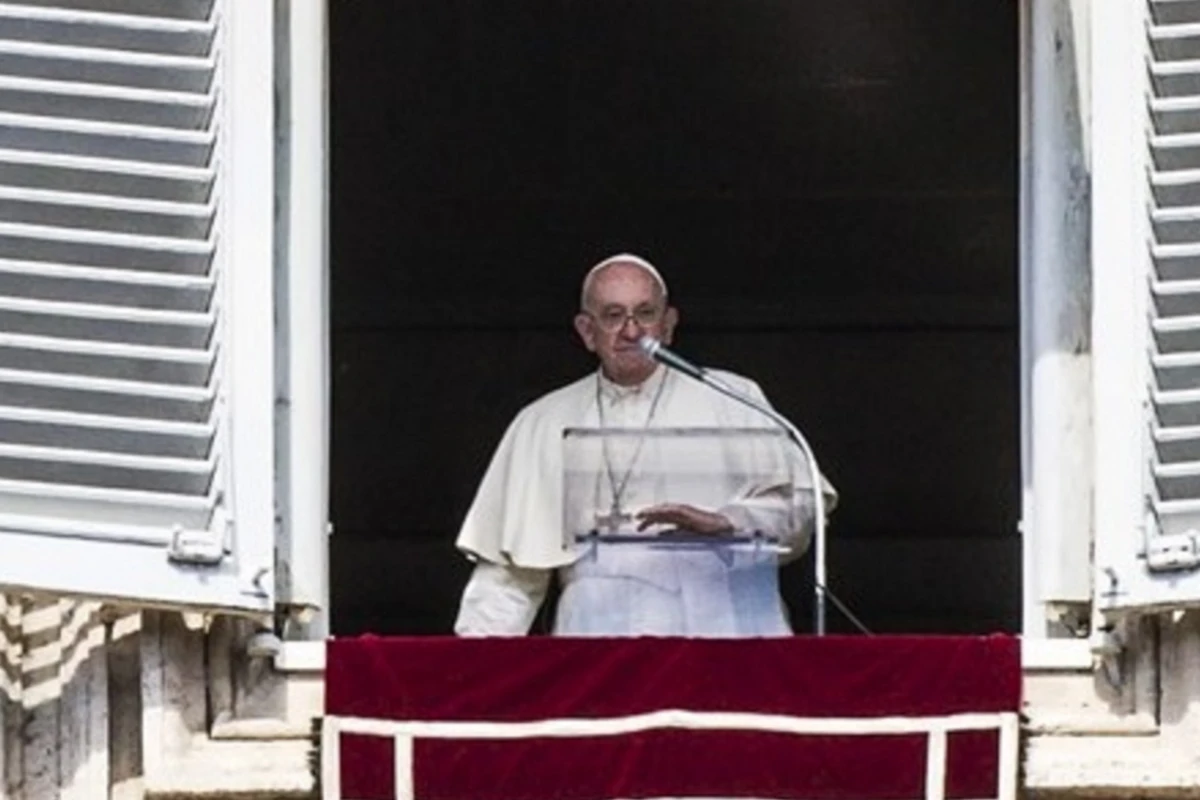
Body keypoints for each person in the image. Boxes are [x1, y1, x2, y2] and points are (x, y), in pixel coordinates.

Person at [453, 253, 837, 636]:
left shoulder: (734, 399)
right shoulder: (542, 421)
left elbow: (801, 508)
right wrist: (472, 666)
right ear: (587, 331)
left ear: (668, 325)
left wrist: (728, 522)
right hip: (597, 638)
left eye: (646, 313)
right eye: (613, 315)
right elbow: (508, 577)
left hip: (724, 630)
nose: (632, 331)